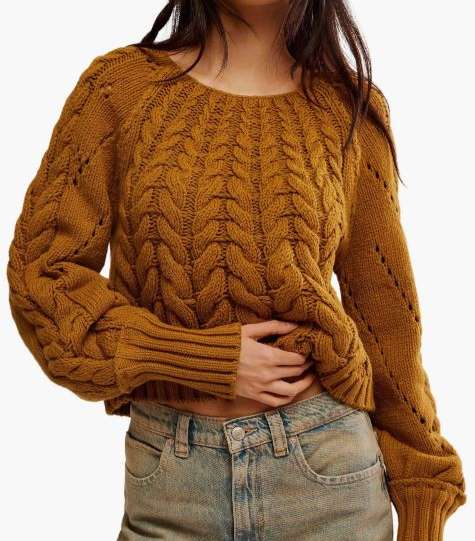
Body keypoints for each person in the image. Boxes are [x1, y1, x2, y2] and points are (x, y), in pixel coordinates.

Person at [6, 1, 466, 539]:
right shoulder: (120, 89)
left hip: (327, 473)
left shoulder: (347, 108)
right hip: (172, 481)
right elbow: (42, 277)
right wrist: (200, 358)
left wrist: (422, 499)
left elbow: (388, 321)